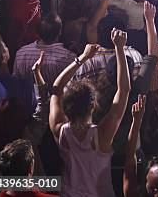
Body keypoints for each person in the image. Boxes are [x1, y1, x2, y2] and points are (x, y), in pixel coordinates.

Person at [49, 30, 130, 197]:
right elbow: (124, 90)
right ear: (93, 105)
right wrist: (119, 49)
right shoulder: (101, 135)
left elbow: (56, 89)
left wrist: (83, 58)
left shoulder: (60, 130)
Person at [13, 12, 76, 90]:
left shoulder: (21, 53)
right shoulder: (69, 57)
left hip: (26, 101)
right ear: (60, 32)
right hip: (56, 101)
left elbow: (16, 84)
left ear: (38, 32)